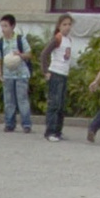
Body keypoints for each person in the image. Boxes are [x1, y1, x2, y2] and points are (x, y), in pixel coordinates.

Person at [0, 14, 33, 134]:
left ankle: (26, 124)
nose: (3, 29)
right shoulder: (0, 42)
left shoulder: (20, 39)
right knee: (9, 101)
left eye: (5, 26)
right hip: (8, 75)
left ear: (12, 26)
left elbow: (29, 54)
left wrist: (20, 55)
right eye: (2, 26)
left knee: (22, 100)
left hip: (21, 74)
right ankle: (9, 124)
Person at [40, 13, 76, 142]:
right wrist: (45, 71)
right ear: (59, 26)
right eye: (64, 24)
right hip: (55, 73)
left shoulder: (69, 40)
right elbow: (44, 54)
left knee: (61, 105)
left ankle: (58, 130)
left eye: (69, 24)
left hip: (64, 74)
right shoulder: (58, 38)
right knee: (54, 104)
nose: (67, 27)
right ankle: (50, 132)